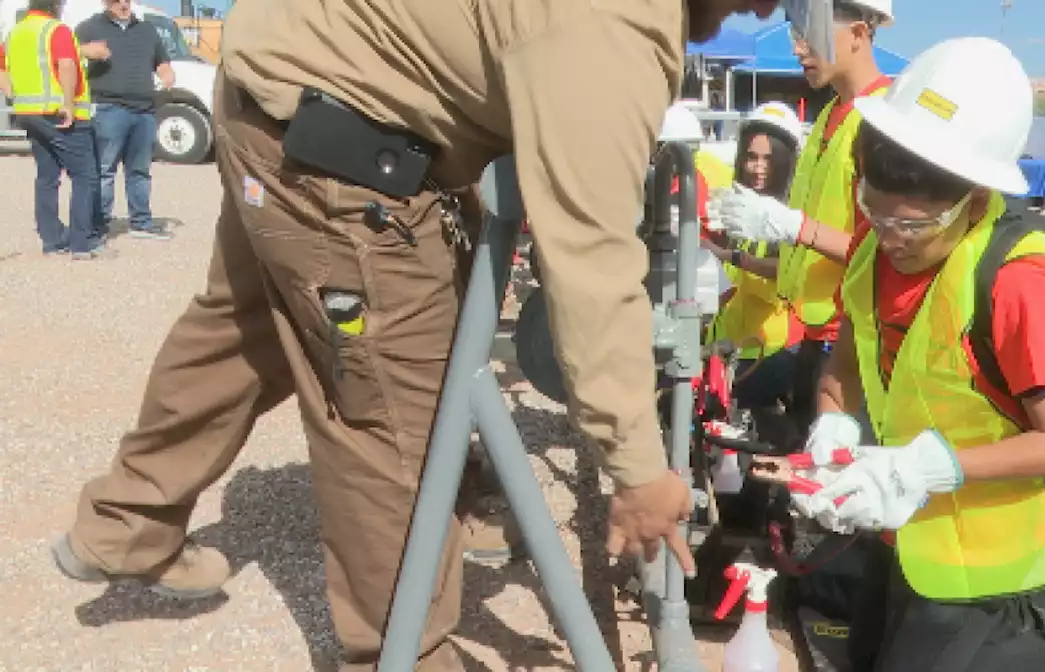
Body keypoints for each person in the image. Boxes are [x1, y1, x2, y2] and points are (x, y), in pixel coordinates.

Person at [50, 0, 783, 669]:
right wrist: (636, 465)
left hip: (279, 83)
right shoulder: (612, 26)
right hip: (338, 141)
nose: (763, 9)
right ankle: (399, 648)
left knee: (245, 330)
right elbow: (590, 259)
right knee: (393, 408)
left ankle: (126, 522)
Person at [760, 37, 1045, 671]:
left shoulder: (1015, 284)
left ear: (976, 198)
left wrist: (921, 470)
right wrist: (832, 428)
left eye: (914, 225)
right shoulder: (873, 252)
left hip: (987, 577)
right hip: (902, 544)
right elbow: (844, 368)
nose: (891, 237)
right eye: (875, 213)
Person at [715, 0, 894, 433]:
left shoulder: (886, 120)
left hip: (853, 347)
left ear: (858, 32)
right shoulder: (830, 117)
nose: (798, 49)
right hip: (813, 335)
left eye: (808, 35)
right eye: (795, 35)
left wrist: (794, 227)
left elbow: (888, 255)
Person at [703, 102, 805, 412]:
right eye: (751, 157)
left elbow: (786, 270)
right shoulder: (735, 202)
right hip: (729, 345)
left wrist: (731, 256)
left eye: (768, 160)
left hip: (773, 350)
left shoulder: (794, 214)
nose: (757, 167)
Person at [0, 0, 106, 259]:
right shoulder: (56, 29)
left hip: (28, 113)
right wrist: (68, 104)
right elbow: (66, 64)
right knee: (85, 176)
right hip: (59, 114)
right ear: (55, 5)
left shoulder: (15, 32)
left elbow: (2, 67)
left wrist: (12, 93)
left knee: (47, 178)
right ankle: (81, 243)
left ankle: (52, 241)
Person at [77, 0, 177, 241]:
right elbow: (65, 53)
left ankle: (141, 222)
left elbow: (161, 61)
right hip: (109, 108)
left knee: (140, 170)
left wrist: (167, 73)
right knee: (105, 170)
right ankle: (98, 225)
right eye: (116, 0)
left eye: (126, 0)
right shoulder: (89, 27)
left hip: (144, 111)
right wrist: (86, 51)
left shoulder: (147, 30)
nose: (122, 4)